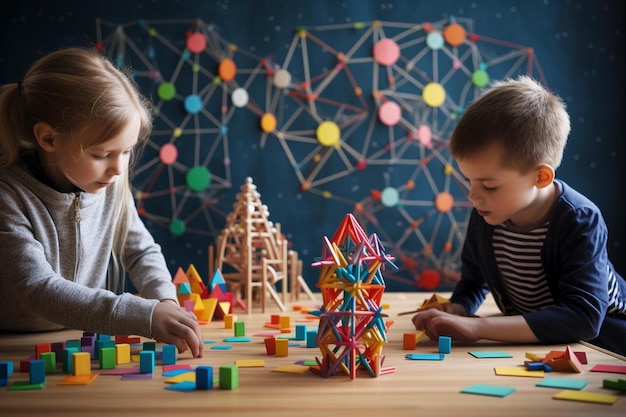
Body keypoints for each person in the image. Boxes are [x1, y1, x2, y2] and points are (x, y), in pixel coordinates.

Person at [0, 47, 203, 358]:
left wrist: (164, 301)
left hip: (79, 340)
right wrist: (143, 315)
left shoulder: (110, 183)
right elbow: (36, 287)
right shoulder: (8, 196)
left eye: (126, 151)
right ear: (48, 139)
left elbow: (141, 250)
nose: (119, 169)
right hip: (14, 348)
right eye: (101, 154)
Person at [412, 75, 626, 356]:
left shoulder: (579, 220)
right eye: (469, 181)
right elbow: (474, 280)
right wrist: (458, 308)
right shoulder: (488, 211)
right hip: (537, 347)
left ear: (540, 177)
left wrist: (479, 328)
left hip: (601, 347)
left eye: (489, 185)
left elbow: (583, 318)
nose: (474, 196)